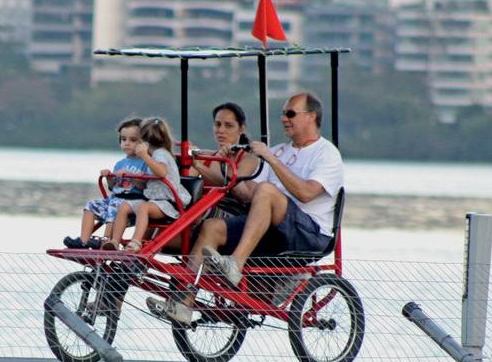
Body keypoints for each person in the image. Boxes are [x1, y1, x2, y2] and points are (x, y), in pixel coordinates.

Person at [146, 92, 344, 324]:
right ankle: (184, 303)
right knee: (212, 227)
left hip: (308, 233)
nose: (284, 119)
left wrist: (271, 159)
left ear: (311, 116)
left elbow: (306, 193)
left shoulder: (325, 153)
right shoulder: (280, 150)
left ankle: (236, 263)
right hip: (269, 226)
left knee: (268, 191)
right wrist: (230, 172)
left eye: (290, 113)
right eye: (282, 114)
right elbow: (249, 195)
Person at [102, 117, 191, 252]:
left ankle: (136, 242)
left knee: (143, 207)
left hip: (168, 203)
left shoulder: (160, 154)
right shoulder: (153, 155)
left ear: (144, 141)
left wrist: (144, 156)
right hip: (154, 201)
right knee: (124, 206)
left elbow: (161, 172)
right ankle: (114, 241)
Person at [63, 118, 149, 248]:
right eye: (123, 139)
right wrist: (109, 177)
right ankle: (83, 240)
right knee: (91, 205)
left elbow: (145, 187)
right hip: (116, 198)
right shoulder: (120, 163)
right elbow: (114, 187)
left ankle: (105, 239)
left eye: (132, 140)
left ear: (143, 142)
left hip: (133, 204)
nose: (127, 143)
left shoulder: (145, 162)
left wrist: (131, 177)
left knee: (115, 204)